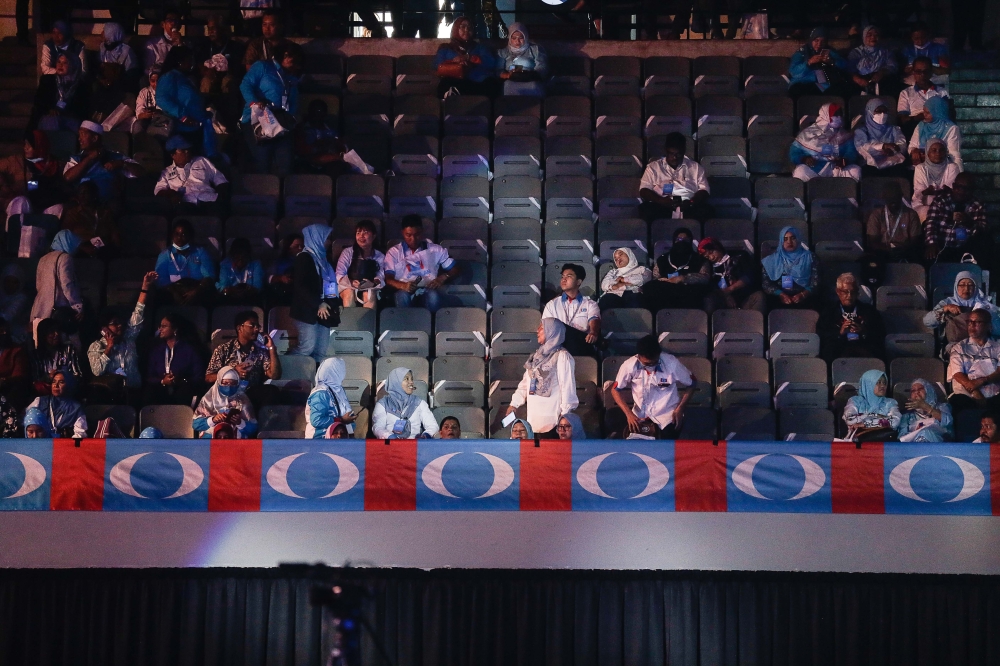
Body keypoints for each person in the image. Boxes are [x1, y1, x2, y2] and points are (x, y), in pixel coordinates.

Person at [86, 272, 155, 400]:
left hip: (134, 391)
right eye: (114, 324)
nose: (120, 326)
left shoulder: (129, 337)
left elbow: (138, 312)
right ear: (104, 328)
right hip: (110, 394)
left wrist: (145, 288)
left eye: (120, 323)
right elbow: (97, 371)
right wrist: (108, 348)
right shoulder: (96, 346)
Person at [611, 334, 694, 439]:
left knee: (665, 443)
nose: (651, 366)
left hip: (667, 415)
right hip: (639, 416)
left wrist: (680, 408)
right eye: (646, 364)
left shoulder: (672, 363)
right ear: (638, 356)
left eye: (654, 362)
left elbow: (692, 383)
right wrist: (629, 414)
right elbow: (615, 390)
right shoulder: (628, 365)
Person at [505, 319, 579, 438]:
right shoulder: (536, 357)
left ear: (552, 331)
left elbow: (567, 387)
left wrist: (564, 416)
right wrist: (514, 404)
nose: (537, 330)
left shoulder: (562, 356)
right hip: (533, 422)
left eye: (541, 327)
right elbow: (525, 384)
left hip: (553, 423)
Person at [240, 42, 301, 176]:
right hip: (259, 119)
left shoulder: (290, 75)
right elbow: (245, 84)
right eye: (288, 55)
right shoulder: (263, 66)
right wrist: (254, 102)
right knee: (263, 163)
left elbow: (294, 98)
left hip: (282, 121)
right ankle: (263, 195)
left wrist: (292, 117)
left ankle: (282, 194)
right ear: (280, 56)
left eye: (294, 56)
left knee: (285, 163)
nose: (292, 59)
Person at [384, 215, 459, 314]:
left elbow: (455, 269)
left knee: (433, 296)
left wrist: (443, 277)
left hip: (428, 288)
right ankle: (404, 327)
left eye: (417, 234)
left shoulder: (435, 250)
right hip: (404, 288)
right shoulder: (394, 252)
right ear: (402, 233)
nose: (413, 239)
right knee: (402, 296)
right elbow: (388, 278)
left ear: (422, 232)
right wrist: (402, 285)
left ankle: (433, 326)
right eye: (408, 235)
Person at [205, 311, 281, 408]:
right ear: (239, 328)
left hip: (250, 394)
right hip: (227, 393)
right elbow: (208, 378)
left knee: (271, 391)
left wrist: (272, 348)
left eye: (258, 326)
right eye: (252, 325)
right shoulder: (224, 349)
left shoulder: (260, 351)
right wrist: (232, 372)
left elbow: (274, 375)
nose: (257, 329)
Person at [156, 47, 218, 157]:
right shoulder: (169, 77)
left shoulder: (185, 78)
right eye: (189, 60)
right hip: (181, 129)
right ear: (180, 62)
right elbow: (162, 99)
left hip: (195, 126)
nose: (192, 63)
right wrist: (182, 115)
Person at [63, 121, 143, 205]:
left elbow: (141, 172)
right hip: (83, 207)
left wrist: (122, 163)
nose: (79, 138)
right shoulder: (76, 159)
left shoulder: (115, 157)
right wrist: (89, 158)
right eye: (79, 134)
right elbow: (68, 177)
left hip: (107, 206)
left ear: (94, 138)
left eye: (83, 134)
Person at [290, 224, 339, 362]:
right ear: (317, 238)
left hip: (324, 310)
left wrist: (332, 302)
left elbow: (329, 285)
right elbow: (301, 286)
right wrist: (318, 303)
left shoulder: (323, 259)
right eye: (326, 238)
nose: (329, 242)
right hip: (307, 311)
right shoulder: (304, 258)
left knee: (321, 351)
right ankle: (286, 371)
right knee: (306, 348)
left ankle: (314, 380)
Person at [639, 133, 712, 222]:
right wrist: (660, 200)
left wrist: (691, 202)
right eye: (671, 153)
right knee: (646, 210)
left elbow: (705, 190)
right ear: (666, 151)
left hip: (688, 205)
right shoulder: (653, 167)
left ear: (684, 151)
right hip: (662, 204)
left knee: (707, 211)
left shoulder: (695, 167)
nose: (674, 157)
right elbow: (644, 190)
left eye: (678, 154)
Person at [923, 173, 988, 265]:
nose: (961, 192)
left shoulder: (978, 205)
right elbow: (931, 223)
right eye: (958, 187)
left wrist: (969, 223)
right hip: (942, 246)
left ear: (973, 190)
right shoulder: (940, 201)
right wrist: (932, 243)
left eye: (966, 189)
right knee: (928, 254)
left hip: (966, 249)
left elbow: (982, 232)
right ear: (953, 186)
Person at [818, 272, 885, 361]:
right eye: (845, 292)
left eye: (853, 292)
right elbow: (823, 337)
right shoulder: (829, 312)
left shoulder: (870, 311)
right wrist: (840, 333)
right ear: (838, 292)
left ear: (857, 292)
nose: (849, 296)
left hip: (863, 347)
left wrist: (864, 332)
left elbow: (880, 334)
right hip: (839, 349)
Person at [154, 135, 229, 214]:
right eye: (183, 150)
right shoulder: (166, 172)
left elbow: (220, 180)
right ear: (173, 155)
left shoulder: (201, 161)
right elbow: (159, 191)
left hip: (208, 199)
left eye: (188, 149)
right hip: (185, 203)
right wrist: (171, 194)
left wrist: (221, 196)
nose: (187, 152)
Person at [923, 271, 1000, 348]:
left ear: (975, 287)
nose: (966, 288)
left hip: (982, 344)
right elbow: (927, 322)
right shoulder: (947, 303)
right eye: (962, 285)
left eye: (970, 285)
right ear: (956, 286)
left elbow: (997, 329)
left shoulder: (984, 304)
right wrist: (945, 309)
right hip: (956, 346)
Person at [643, 228, 712, 312]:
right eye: (679, 239)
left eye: (686, 239)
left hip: (689, 290)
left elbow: (705, 278)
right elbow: (656, 277)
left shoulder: (700, 259)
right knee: (649, 287)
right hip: (667, 289)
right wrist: (664, 280)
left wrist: (683, 278)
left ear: (690, 241)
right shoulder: (663, 259)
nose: (682, 242)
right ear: (674, 241)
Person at [30, 230, 84, 337]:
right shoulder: (65, 257)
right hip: (58, 312)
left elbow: (38, 285)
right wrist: (77, 306)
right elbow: (67, 285)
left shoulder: (43, 258)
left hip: (40, 310)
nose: (77, 248)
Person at [1, 130, 65, 219]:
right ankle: (15, 231)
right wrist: (4, 184)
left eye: (29, 145)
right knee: (20, 202)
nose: (25, 148)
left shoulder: (54, 164)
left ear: (39, 146)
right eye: (25, 144)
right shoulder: (16, 161)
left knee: (58, 208)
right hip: (26, 203)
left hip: (46, 205)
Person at [144, 313, 204, 407]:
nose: (160, 329)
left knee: (184, 392)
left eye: (164, 326)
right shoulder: (156, 350)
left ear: (175, 329)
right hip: (160, 391)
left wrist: (181, 380)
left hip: (182, 391)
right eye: (160, 326)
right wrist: (163, 381)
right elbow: (149, 377)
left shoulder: (189, 350)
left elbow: (198, 377)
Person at [790, 103, 861, 182]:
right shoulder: (807, 133)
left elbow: (851, 151)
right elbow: (794, 152)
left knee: (855, 171)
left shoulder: (844, 134)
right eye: (835, 114)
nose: (839, 117)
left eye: (840, 114)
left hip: (836, 168)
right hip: (815, 168)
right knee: (800, 172)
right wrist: (804, 159)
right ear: (826, 115)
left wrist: (845, 160)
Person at [947, 309, 1000, 412]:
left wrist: (982, 381)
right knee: (958, 401)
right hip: (968, 395)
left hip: (995, 395)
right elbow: (958, 374)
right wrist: (975, 392)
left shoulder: (998, 346)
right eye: (970, 322)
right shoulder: (959, 348)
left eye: (977, 322)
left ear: (988, 326)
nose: (972, 325)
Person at [543, 263, 601, 357]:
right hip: (557, 348)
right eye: (562, 276)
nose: (564, 279)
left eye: (569, 276)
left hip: (580, 347)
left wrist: (593, 332)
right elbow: (546, 328)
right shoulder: (552, 304)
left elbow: (594, 319)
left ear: (578, 282)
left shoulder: (590, 303)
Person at [155, 219, 217, 305]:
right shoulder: (165, 255)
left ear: (190, 237)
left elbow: (209, 276)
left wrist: (196, 291)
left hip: (197, 291)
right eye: (177, 234)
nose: (179, 238)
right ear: (172, 236)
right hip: (173, 292)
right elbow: (161, 280)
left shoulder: (201, 252)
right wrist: (174, 293)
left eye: (183, 234)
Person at [434, 16, 498, 98]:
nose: (466, 30)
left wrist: (470, 58)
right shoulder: (445, 48)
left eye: (469, 27)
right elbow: (438, 67)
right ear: (456, 29)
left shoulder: (480, 47)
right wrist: (455, 63)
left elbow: (491, 63)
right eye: (463, 26)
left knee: (491, 83)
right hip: (456, 82)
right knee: (445, 83)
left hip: (477, 84)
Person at [698, 237, 765, 315]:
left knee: (759, 296)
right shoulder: (708, 266)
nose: (711, 257)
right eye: (707, 256)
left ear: (717, 247)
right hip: (722, 302)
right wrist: (726, 296)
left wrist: (730, 289)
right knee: (709, 299)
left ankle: (755, 324)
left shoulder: (740, 256)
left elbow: (749, 276)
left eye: (712, 252)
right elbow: (710, 287)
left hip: (744, 297)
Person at [787, 28, 855, 99]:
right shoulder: (801, 52)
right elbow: (793, 71)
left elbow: (845, 65)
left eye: (823, 41)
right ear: (811, 40)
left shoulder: (829, 51)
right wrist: (809, 62)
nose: (819, 44)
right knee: (795, 91)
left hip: (824, 85)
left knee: (844, 90)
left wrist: (832, 62)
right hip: (804, 82)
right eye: (816, 40)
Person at [29, 53, 90, 133]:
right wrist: (50, 110)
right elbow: (39, 102)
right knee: (52, 121)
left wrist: (64, 113)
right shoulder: (47, 80)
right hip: (50, 118)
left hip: (70, 118)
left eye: (65, 63)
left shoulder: (81, 85)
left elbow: (83, 109)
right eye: (59, 62)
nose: (60, 65)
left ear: (73, 65)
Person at [372, 367, 438, 439]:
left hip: (415, 447)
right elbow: (377, 427)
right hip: (390, 446)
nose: (411, 382)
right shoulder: (383, 404)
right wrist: (389, 436)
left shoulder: (419, 403)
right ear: (395, 382)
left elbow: (433, 425)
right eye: (406, 379)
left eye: (411, 379)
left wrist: (426, 435)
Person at [60, 181, 121, 259]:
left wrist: (117, 246)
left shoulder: (105, 212)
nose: (82, 195)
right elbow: (65, 236)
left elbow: (113, 232)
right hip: (82, 248)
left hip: (103, 246)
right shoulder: (72, 213)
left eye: (86, 192)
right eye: (80, 193)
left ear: (94, 195)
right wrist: (83, 248)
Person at [761, 226, 818, 309]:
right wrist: (781, 294)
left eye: (793, 238)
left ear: (798, 239)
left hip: (806, 298)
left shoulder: (810, 257)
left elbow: (816, 282)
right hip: (778, 298)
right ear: (781, 241)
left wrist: (803, 294)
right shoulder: (771, 260)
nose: (789, 242)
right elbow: (766, 283)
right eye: (785, 239)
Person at [864, 181, 922, 262]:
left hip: (905, 251)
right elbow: (873, 242)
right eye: (890, 199)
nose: (893, 202)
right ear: (884, 198)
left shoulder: (911, 214)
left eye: (896, 198)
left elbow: (915, 241)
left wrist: (902, 250)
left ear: (901, 196)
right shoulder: (876, 215)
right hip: (883, 253)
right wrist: (889, 250)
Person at [194, 366, 258, 438]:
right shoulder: (208, 400)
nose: (229, 386)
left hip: (236, 442)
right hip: (211, 442)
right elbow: (195, 425)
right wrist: (213, 420)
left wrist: (240, 422)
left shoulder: (243, 400)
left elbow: (253, 429)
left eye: (233, 383)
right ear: (219, 383)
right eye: (225, 383)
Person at [294, 99, 351, 178]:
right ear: (309, 112)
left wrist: (337, 146)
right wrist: (319, 145)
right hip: (308, 162)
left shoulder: (331, 130)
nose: (318, 113)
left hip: (329, 161)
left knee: (339, 167)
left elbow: (343, 149)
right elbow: (302, 151)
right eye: (315, 110)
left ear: (325, 113)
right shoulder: (302, 129)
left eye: (321, 111)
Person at [336, 219, 385, 310]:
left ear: (374, 236)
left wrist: (372, 283)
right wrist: (351, 282)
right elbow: (339, 274)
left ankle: (369, 323)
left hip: (370, 286)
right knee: (349, 293)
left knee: (368, 295)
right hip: (348, 285)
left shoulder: (380, 256)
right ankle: (351, 323)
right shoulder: (347, 252)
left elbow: (381, 276)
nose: (361, 236)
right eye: (358, 233)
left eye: (365, 232)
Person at [898, 56, 950, 139]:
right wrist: (917, 118)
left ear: (931, 72)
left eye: (926, 71)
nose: (922, 75)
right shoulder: (906, 93)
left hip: (937, 127)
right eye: (918, 71)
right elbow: (903, 119)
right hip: (915, 127)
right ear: (913, 72)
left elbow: (946, 113)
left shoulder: (941, 92)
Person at [854, 98, 907, 177]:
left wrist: (893, 150)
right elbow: (862, 147)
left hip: (892, 163)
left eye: (884, 111)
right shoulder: (861, 131)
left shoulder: (893, 129)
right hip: (870, 165)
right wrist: (883, 146)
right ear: (869, 112)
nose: (882, 114)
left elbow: (902, 143)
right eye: (878, 111)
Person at [305, 358, 357, 438]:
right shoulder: (320, 393)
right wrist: (341, 420)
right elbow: (317, 420)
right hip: (319, 439)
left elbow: (346, 415)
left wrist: (350, 418)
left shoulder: (338, 390)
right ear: (335, 371)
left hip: (338, 437)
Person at [26, 370, 87, 438]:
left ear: (69, 385)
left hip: (64, 444)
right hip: (42, 443)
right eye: (54, 382)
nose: (56, 385)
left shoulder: (76, 408)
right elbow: (25, 421)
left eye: (61, 382)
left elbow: (80, 433)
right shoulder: (40, 401)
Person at [843, 370, 901, 440]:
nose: (882, 386)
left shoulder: (890, 402)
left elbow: (895, 421)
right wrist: (878, 417)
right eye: (878, 382)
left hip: (885, 444)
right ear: (868, 384)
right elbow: (850, 420)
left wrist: (865, 424)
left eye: (884, 383)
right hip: (857, 443)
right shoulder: (855, 401)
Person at [912, 139, 960, 222]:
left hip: (946, 204)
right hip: (922, 204)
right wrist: (938, 191)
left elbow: (949, 192)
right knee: (925, 213)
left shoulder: (952, 167)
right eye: (934, 150)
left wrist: (931, 191)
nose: (938, 153)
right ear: (927, 153)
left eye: (941, 150)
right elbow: (919, 193)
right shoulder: (920, 168)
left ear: (946, 152)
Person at [30, 318, 83, 394]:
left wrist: (63, 377)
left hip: (67, 390)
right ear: (44, 335)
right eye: (52, 332)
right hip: (45, 392)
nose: (56, 334)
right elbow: (36, 378)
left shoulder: (69, 349)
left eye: (58, 330)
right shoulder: (37, 355)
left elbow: (78, 374)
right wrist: (49, 377)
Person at [495, 22, 548, 96]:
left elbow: (542, 68)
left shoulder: (536, 49)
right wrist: (508, 75)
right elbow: (498, 70)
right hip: (511, 80)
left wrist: (527, 75)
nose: (517, 41)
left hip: (531, 80)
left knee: (534, 86)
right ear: (509, 38)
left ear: (525, 37)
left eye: (521, 38)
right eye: (514, 38)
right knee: (508, 86)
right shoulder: (503, 52)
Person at [909, 96, 962, 169]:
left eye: (928, 112)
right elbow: (912, 145)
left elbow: (954, 154)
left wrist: (958, 174)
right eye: (924, 111)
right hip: (921, 166)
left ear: (938, 112)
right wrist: (914, 150)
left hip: (943, 167)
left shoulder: (951, 128)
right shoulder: (921, 125)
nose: (924, 115)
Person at [848, 26, 900, 96]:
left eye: (876, 35)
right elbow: (849, 69)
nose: (873, 37)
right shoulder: (856, 52)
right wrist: (858, 80)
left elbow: (893, 66)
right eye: (869, 35)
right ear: (864, 37)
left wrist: (882, 73)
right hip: (860, 81)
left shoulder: (885, 52)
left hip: (881, 81)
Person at [217, 238, 264, 304]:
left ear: (248, 255)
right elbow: (223, 287)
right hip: (230, 298)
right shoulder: (225, 265)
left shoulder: (256, 264)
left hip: (250, 298)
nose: (240, 259)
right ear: (232, 255)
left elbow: (258, 287)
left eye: (243, 256)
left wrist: (247, 289)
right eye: (237, 256)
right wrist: (231, 290)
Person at [0, 317, 31, 412]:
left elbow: (19, 376)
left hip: (8, 389)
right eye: (1, 330)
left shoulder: (17, 350)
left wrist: (3, 381)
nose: (4, 333)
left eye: (5, 330)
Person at [144, 10, 189, 76]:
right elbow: (148, 69)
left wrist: (180, 44)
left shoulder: (186, 43)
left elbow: (187, 66)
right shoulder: (152, 44)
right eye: (170, 20)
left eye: (176, 20)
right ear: (163, 24)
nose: (173, 23)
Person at [99, 22, 140, 90]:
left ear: (112, 33)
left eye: (105, 30)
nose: (102, 33)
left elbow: (131, 73)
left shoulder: (126, 50)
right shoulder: (103, 47)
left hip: (121, 84)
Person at [267, 232, 303, 305]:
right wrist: (281, 278)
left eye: (302, 246)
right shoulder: (279, 262)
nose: (300, 248)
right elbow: (269, 278)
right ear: (288, 248)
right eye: (296, 246)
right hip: (283, 295)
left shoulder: (308, 261)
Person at [0, 265, 30, 345]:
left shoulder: (21, 297)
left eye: (14, 282)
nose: (10, 284)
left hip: (15, 333)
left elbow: (8, 316)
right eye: (8, 281)